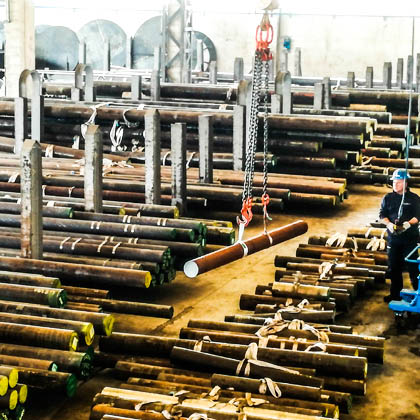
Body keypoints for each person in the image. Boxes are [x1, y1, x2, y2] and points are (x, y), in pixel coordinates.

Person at [380, 169, 420, 302]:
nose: (395, 185)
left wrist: (408, 224)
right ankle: (395, 294)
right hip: (394, 240)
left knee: (413, 267)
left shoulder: (414, 199)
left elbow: (418, 216)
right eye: (394, 182)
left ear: (406, 183)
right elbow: (382, 214)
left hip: (410, 240)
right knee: (394, 267)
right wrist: (389, 224)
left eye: (399, 182)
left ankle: (418, 293)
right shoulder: (388, 198)